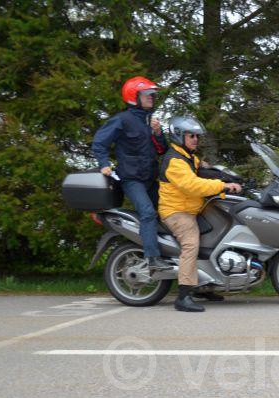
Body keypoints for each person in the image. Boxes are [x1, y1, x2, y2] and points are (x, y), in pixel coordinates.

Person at [158, 116, 242, 312]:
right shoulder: (174, 161)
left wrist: (230, 178)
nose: (196, 139)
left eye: (197, 136)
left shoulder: (189, 157)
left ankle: (204, 285)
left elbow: (204, 172)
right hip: (177, 211)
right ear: (179, 136)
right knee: (191, 243)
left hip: (192, 208)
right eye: (191, 135)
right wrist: (223, 186)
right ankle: (184, 295)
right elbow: (192, 185)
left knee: (215, 237)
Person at [92, 76, 171, 271]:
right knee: (147, 214)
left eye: (152, 94)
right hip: (132, 179)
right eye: (147, 94)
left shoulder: (149, 121)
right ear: (133, 97)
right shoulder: (122, 120)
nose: (151, 97)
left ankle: (171, 254)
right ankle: (152, 259)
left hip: (150, 179)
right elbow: (99, 143)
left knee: (170, 210)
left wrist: (158, 133)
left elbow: (162, 150)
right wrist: (104, 164)